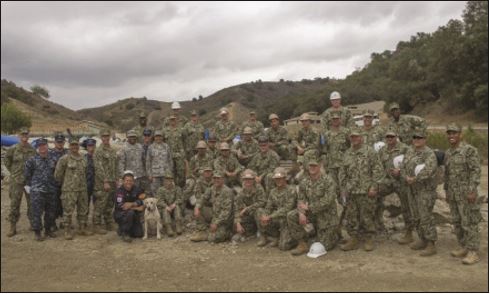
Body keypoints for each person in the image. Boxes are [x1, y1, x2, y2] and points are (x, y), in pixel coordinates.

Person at [339, 128, 384, 251]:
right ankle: (353, 239)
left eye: (356, 137)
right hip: (351, 191)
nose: (354, 139)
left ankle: (368, 239)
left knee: (367, 216)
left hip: (366, 190)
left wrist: (374, 187)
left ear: (361, 138)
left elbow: (378, 170)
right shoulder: (347, 153)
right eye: (352, 137)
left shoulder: (370, 152)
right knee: (352, 216)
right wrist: (343, 189)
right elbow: (342, 173)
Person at [444, 123, 482, 265]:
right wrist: (446, 190)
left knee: (469, 222)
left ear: (460, 134)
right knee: (456, 222)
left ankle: (473, 252)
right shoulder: (448, 152)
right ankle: (464, 246)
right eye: (449, 133)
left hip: (466, 194)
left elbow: (475, 171)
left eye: (454, 133)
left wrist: (472, 190)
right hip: (453, 194)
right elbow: (447, 174)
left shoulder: (469, 150)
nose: (451, 136)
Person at [287, 160, 339, 255]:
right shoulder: (304, 182)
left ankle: (334, 235)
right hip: (311, 213)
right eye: (310, 166)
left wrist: (309, 207)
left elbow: (328, 201)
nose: (312, 168)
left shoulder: (328, 181)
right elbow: (301, 199)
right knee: (291, 215)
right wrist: (301, 213)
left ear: (319, 166)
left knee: (325, 246)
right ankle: (302, 243)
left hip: (326, 215)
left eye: (315, 166)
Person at [401, 129, 438, 257]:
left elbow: (429, 170)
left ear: (425, 139)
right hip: (412, 190)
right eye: (415, 138)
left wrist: (415, 179)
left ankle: (431, 244)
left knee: (425, 216)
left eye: (420, 138)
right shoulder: (410, 151)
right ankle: (422, 239)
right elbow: (403, 166)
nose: (417, 140)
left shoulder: (429, 154)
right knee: (416, 216)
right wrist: (405, 176)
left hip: (425, 190)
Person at [377, 130, 412, 241]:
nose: (390, 139)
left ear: (396, 136)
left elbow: (411, 164)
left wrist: (400, 172)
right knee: (374, 194)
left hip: (401, 182)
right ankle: (377, 226)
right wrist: (379, 180)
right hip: (388, 182)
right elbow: (379, 166)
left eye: (392, 136)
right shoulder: (382, 150)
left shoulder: (405, 149)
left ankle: (409, 232)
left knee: (406, 206)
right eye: (387, 137)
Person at [54, 137, 92, 239]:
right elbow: (57, 175)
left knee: (83, 210)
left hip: (82, 189)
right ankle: (67, 231)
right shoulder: (64, 159)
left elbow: (85, 173)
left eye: (76, 145)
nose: (74, 147)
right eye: (72, 145)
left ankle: (82, 228)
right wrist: (66, 184)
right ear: (69, 146)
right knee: (68, 211)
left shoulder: (83, 158)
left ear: (78, 146)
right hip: (69, 190)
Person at [321, 112, 350, 240]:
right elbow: (324, 149)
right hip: (332, 167)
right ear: (330, 121)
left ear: (340, 119)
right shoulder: (326, 134)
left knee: (344, 192)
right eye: (333, 119)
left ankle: (347, 219)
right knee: (333, 192)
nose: (335, 121)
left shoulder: (346, 131)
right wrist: (325, 165)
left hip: (344, 166)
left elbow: (350, 147)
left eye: (337, 119)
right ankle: (335, 221)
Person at [5, 127, 36, 237]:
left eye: (26, 134)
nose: (24, 136)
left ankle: (33, 224)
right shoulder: (13, 149)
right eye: (22, 134)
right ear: (19, 136)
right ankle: (13, 227)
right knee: (14, 203)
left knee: (32, 203)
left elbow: (35, 164)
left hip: (29, 181)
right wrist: (13, 172)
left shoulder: (32, 150)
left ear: (28, 136)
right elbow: (7, 161)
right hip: (16, 181)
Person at [24, 138, 57, 241]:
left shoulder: (53, 159)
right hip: (37, 191)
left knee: (50, 212)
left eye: (44, 145)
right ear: (37, 148)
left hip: (50, 190)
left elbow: (57, 173)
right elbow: (27, 174)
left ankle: (48, 230)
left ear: (47, 146)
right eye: (40, 146)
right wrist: (30, 187)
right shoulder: (32, 160)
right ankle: (37, 232)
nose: (42, 147)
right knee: (37, 212)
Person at [256, 167, 297, 250]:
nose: (278, 181)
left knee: (283, 247)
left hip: (286, 220)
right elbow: (268, 207)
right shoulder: (273, 192)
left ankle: (294, 239)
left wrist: (270, 217)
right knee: (259, 211)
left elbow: (287, 209)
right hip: (276, 218)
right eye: (276, 179)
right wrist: (265, 215)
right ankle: (270, 236)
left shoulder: (291, 190)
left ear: (285, 178)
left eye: (280, 179)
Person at [191, 170, 233, 243]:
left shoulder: (227, 192)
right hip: (214, 215)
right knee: (199, 209)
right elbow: (203, 198)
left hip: (224, 221)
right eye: (214, 178)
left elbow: (226, 212)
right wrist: (197, 207)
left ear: (223, 179)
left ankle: (227, 233)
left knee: (215, 238)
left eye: (218, 178)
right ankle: (202, 231)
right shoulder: (212, 188)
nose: (216, 180)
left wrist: (216, 223)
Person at [93, 129, 119, 234]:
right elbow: (98, 167)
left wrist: (117, 179)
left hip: (112, 181)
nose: (106, 138)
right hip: (102, 182)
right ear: (101, 138)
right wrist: (105, 181)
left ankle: (108, 222)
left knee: (110, 203)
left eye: (107, 136)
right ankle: (97, 224)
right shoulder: (98, 151)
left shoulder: (112, 151)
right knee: (101, 203)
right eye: (103, 136)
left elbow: (115, 166)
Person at [233, 169, 267, 241]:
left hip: (257, 213)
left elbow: (262, 202)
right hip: (248, 215)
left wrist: (247, 208)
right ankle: (247, 233)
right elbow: (237, 208)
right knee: (237, 219)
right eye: (245, 179)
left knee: (259, 211)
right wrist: (238, 223)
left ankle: (263, 234)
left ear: (253, 180)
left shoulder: (259, 188)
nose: (247, 181)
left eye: (250, 179)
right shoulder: (241, 192)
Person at [114, 171, 145, 242]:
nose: (129, 182)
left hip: (134, 214)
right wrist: (136, 207)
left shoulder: (137, 189)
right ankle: (125, 233)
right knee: (130, 212)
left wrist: (132, 203)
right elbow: (122, 206)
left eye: (131, 181)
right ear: (123, 181)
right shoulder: (119, 191)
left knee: (139, 234)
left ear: (133, 181)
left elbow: (142, 200)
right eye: (127, 180)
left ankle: (122, 229)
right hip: (121, 214)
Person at [49, 132, 68, 231]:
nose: (60, 144)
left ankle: (64, 222)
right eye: (58, 142)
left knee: (65, 204)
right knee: (53, 204)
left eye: (61, 142)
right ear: (55, 142)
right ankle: (52, 224)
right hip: (53, 184)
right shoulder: (49, 153)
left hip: (66, 184)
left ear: (64, 142)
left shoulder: (68, 153)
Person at [146, 130, 173, 196]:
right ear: (154, 137)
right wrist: (149, 174)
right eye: (156, 136)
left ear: (162, 137)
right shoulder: (150, 147)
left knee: (166, 191)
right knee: (155, 191)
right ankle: (157, 205)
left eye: (160, 136)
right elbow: (148, 161)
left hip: (165, 174)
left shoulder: (166, 146)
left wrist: (170, 173)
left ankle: (165, 205)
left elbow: (170, 160)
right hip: (155, 174)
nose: (158, 138)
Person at [156, 172, 183, 237]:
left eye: (170, 180)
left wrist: (174, 204)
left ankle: (178, 226)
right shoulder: (160, 189)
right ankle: (168, 228)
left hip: (174, 208)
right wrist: (166, 206)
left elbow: (180, 199)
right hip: (165, 208)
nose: (169, 182)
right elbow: (159, 201)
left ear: (173, 181)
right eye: (167, 180)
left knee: (177, 207)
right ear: (164, 181)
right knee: (165, 210)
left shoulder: (177, 188)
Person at [163, 115, 186, 188]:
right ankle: (172, 189)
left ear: (176, 121)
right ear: (169, 121)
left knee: (181, 173)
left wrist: (183, 152)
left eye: (174, 120)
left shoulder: (181, 130)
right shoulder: (165, 131)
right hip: (169, 156)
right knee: (171, 174)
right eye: (171, 120)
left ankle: (181, 188)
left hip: (179, 155)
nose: (172, 121)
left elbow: (185, 141)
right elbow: (163, 142)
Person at [83, 138, 96, 209]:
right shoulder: (83, 158)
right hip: (86, 185)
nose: (91, 147)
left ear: (95, 146)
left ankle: (96, 220)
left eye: (92, 145)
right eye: (89, 146)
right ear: (87, 147)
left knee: (97, 206)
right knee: (85, 206)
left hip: (97, 185)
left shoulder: (98, 158)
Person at [140, 128, 153, 194]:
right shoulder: (139, 147)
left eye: (148, 135)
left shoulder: (154, 147)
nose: (147, 137)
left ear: (151, 136)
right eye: (145, 135)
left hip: (152, 174)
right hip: (142, 174)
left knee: (151, 193)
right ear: (143, 136)